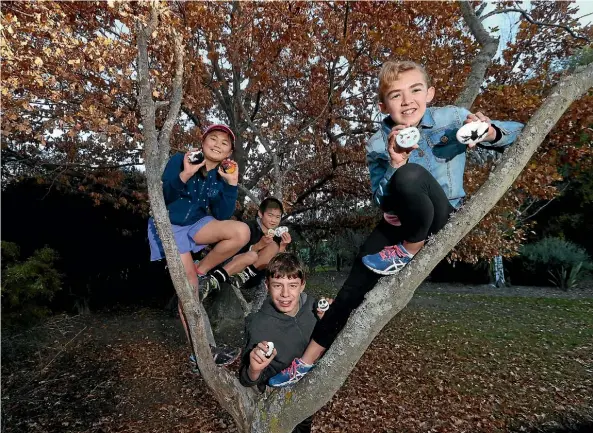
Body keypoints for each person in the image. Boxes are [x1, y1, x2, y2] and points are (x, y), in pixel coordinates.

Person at [268, 60, 524, 387]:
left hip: (441, 214)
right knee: (350, 290)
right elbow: (381, 198)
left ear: (429, 93)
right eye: (395, 95)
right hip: (399, 221)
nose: (407, 101)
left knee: (414, 173)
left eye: (415, 90)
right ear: (383, 105)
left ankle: (409, 248)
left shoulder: (454, 118)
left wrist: (489, 131)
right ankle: (304, 363)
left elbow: (518, 132)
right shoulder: (378, 143)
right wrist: (394, 163)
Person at [148, 123, 249, 366]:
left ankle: (202, 272)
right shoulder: (180, 160)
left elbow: (223, 214)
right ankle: (202, 351)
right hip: (170, 227)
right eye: (213, 139)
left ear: (228, 154)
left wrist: (232, 184)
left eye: (224, 143)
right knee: (189, 293)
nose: (218, 145)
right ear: (202, 142)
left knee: (241, 231)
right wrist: (186, 173)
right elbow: (162, 196)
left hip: (198, 224)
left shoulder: (221, 176)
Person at [238, 253, 330, 433]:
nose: (285, 294)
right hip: (280, 403)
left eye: (293, 285)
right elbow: (245, 378)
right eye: (277, 286)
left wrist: (327, 322)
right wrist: (254, 369)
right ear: (267, 286)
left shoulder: (314, 307)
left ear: (302, 285)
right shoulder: (258, 325)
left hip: (309, 398)